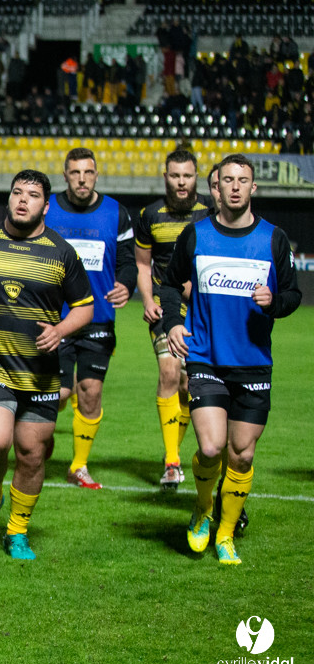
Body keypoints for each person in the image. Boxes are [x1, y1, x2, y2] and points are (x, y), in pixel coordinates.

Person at [163, 155, 300, 565]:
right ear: (216, 188)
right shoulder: (196, 235)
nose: (236, 187)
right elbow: (171, 285)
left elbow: (293, 295)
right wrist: (172, 322)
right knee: (210, 446)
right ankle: (204, 511)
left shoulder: (274, 239)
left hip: (254, 362)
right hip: (206, 358)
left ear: (253, 188)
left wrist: (274, 301)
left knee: (241, 454)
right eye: (228, 180)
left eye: (243, 180)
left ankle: (225, 534)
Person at [0, 170, 94, 561]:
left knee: (32, 453)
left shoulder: (61, 251)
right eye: (17, 193)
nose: (22, 200)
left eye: (32, 195)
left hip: (40, 371)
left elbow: (85, 307)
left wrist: (61, 329)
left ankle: (17, 530)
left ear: (45, 205)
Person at [44, 147, 136, 490]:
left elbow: (128, 260)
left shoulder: (116, 213)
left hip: (98, 318)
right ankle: (39, 441)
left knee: (90, 391)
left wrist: (126, 284)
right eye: (75, 173)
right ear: (65, 175)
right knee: (61, 393)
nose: (82, 179)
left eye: (88, 173)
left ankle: (79, 466)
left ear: (96, 175)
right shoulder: (49, 208)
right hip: (57, 318)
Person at [133, 149, 211, 490]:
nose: (181, 182)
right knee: (169, 371)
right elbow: (141, 264)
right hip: (166, 308)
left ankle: (176, 454)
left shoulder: (210, 212)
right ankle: (171, 463)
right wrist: (147, 299)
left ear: (196, 177)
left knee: (186, 384)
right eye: (175, 175)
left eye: (188, 176)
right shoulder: (149, 214)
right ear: (165, 176)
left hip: (203, 309)